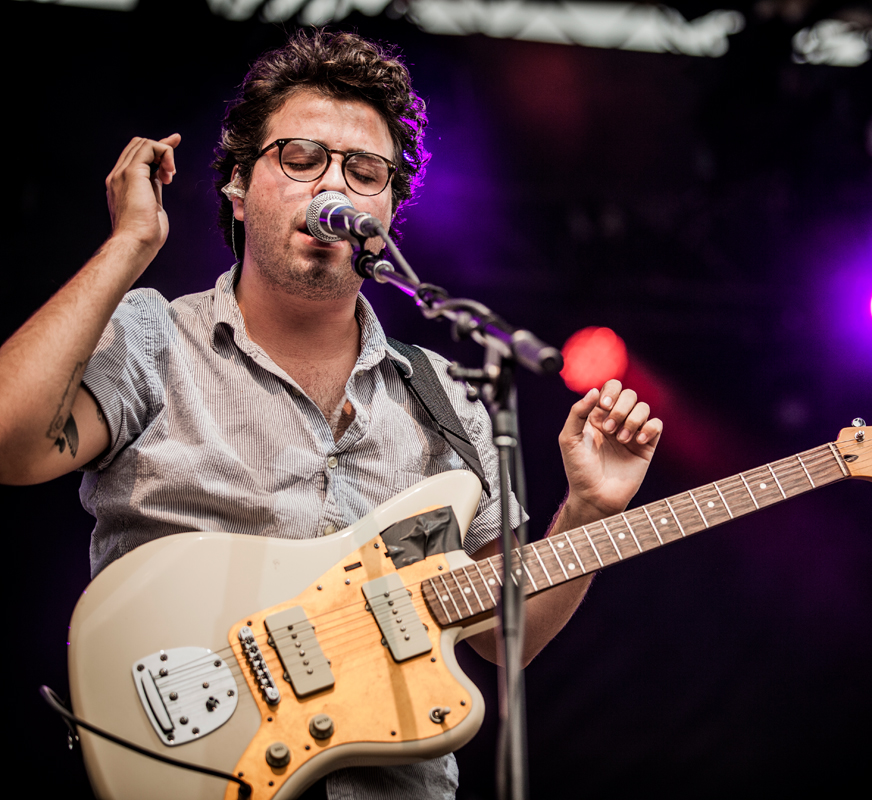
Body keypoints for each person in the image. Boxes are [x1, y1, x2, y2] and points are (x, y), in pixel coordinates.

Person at [0, 29, 661, 799]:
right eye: (302, 158)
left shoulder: (450, 393)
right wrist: (129, 246)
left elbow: (501, 640)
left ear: (387, 208)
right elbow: (12, 443)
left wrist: (585, 510)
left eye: (363, 171)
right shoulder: (154, 337)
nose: (333, 188)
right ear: (238, 187)